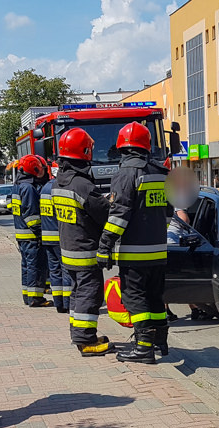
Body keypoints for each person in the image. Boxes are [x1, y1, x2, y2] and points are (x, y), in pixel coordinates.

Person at [97, 122, 169, 363]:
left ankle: (143, 349)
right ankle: (160, 341)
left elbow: (118, 216)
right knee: (155, 298)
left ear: (122, 148)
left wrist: (105, 246)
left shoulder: (125, 174)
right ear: (146, 147)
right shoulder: (160, 173)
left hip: (134, 253)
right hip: (159, 251)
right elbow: (168, 212)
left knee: (135, 298)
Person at [52, 128, 115, 356]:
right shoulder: (82, 185)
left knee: (77, 295)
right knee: (90, 295)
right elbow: (104, 212)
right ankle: (86, 341)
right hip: (85, 252)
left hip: (68, 252)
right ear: (85, 152)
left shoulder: (59, 183)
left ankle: (79, 335)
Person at [13, 155, 51, 307]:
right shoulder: (29, 189)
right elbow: (32, 216)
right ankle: (36, 298)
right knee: (35, 266)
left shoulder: (18, 186)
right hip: (31, 236)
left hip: (22, 235)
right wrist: (40, 233)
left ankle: (27, 296)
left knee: (27, 266)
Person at [40, 163, 71, 313]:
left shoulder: (45, 188)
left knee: (54, 271)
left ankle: (58, 302)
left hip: (46, 237)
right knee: (66, 270)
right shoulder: (59, 188)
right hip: (59, 237)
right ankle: (67, 302)